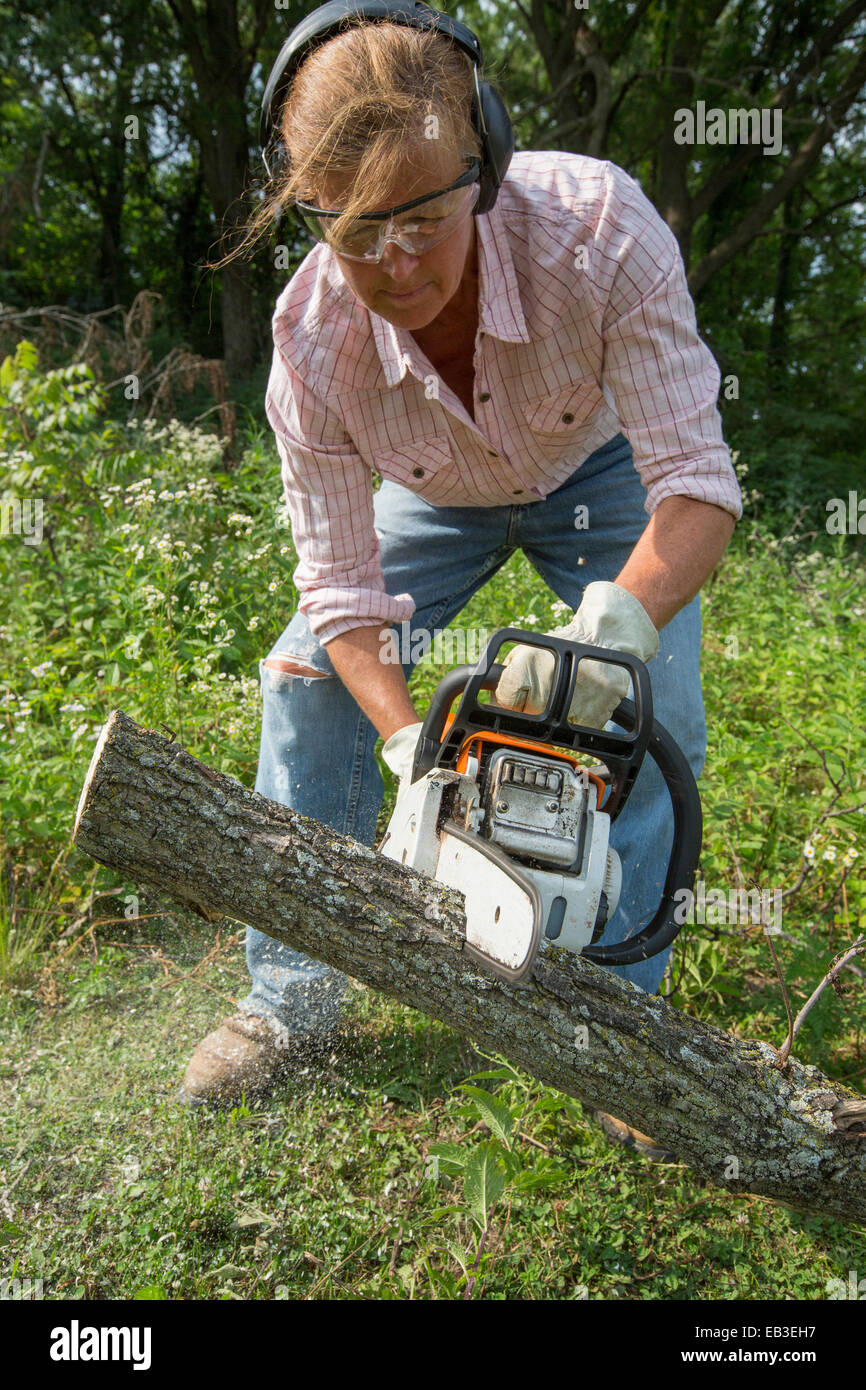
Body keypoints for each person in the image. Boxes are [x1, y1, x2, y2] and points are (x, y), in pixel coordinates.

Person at [181, 1, 741, 1141]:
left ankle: (616, 1027)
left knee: (649, 708)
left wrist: (618, 630)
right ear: (306, 213)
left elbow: (695, 481)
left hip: (598, 472)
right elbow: (340, 593)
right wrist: (408, 746)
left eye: (425, 215)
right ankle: (290, 998)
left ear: (481, 155)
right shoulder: (309, 348)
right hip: (432, 491)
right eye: (353, 228)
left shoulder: (598, 232)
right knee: (301, 676)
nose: (394, 259)